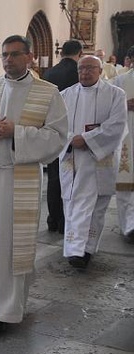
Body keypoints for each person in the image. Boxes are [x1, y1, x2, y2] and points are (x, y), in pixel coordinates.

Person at [0, 35, 68, 336]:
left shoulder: (48, 93)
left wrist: (16, 133)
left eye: (14, 55)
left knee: (13, 246)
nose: (8, 60)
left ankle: (8, 311)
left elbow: (58, 136)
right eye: (4, 55)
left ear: (30, 57)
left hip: (20, 177)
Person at [59, 55, 127, 268]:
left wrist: (87, 139)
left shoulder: (115, 94)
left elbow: (117, 125)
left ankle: (86, 249)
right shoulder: (64, 96)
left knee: (96, 208)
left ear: (100, 71)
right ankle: (73, 250)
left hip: (99, 159)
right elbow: (56, 125)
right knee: (72, 205)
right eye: (81, 69)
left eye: (90, 68)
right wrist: (72, 139)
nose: (85, 73)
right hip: (73, 160)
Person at [42, 39, 83, 234]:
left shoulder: (49, 72)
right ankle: (66, 221)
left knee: (54, 176)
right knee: (72, 178)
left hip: (51, 131)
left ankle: (53, 219)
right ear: (79, 53)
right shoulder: (79, 72)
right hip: (73, 131)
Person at [111, 45, 134, 240]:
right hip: (126, 137)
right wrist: (124, 104)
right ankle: (129, 226)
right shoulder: (119, 81)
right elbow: (107, 106)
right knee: (126, 183)